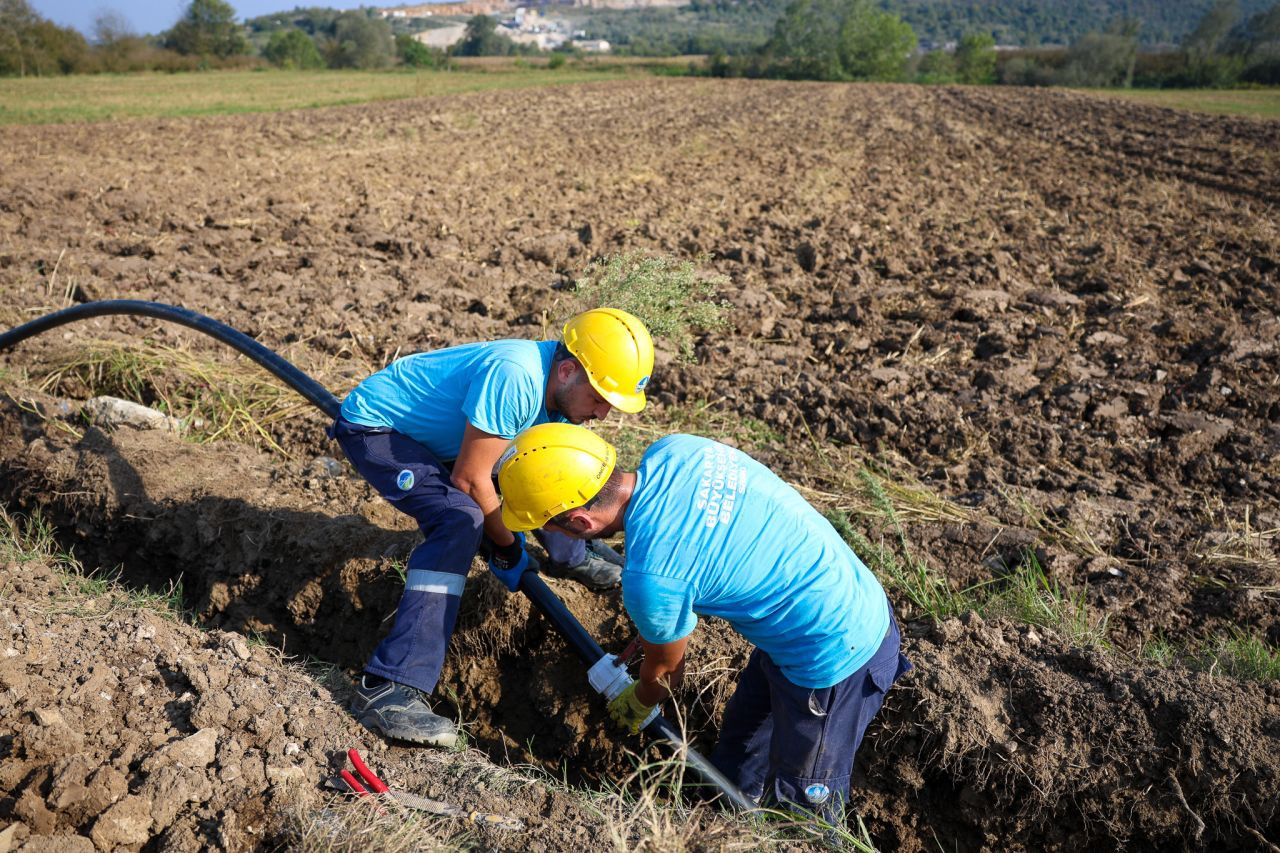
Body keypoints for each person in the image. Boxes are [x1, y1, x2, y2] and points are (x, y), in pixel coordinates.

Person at [497, 423, 911, 823]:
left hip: (836, 655)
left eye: (545, 526)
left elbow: (664, 678)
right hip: (832, 600)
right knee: (739, 750)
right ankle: (730, 824)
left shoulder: (653, 580)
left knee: (805, 810)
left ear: (581, 524)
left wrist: (638, 701)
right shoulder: (677, 450)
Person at [330, 308, 654, 747]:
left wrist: (538, 544)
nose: (602, 412)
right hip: (381, 430)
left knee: (549, 467)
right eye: (599, 398)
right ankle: (388, 687)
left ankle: (571, 556)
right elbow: (469, 478)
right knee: (460, 519)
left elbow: (539, 475)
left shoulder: (559, 399)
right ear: (566, 370)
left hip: (446, 441)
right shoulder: (516, 377)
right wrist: (506, 547)